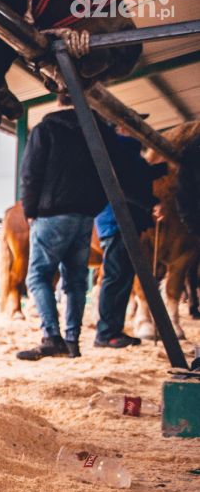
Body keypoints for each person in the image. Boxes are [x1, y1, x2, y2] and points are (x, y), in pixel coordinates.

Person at [15, 98, 113, 361]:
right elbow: (110, 174)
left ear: (58, 101)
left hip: (52, 213)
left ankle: (51, 337)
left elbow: (30, 173)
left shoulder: (46, 129)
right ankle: (72, 341)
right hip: (85, 216)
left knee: (37, 277)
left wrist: (30, 211)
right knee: (76, 281)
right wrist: (94, 206)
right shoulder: (100, 131)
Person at [93, 128, 165, 348]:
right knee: (116, 276)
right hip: (117, 221)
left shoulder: (128, 152)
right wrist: (151, 203)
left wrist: (159, 170)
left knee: (122, 277)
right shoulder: (122, 150)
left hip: (121, 221)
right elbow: (128, 184)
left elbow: (137, 176)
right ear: (121, 128)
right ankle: (106, 333)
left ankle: (113, 330)